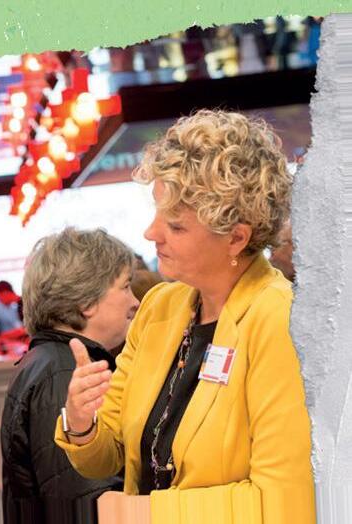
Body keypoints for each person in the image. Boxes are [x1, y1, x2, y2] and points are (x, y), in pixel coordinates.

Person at [55, 110, 315, 523]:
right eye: (158, 213)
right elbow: (109, 454)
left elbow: (284, 503)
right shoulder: (159, 308)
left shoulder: (279, 320)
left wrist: (143, 512)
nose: (151, 233)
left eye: (175, 226)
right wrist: (81, 421)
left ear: (236, 238)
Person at [1, 227, 139, 524]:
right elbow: (88, 502)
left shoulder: (48, 362)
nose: (135, 302)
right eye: (125, 286)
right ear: (86, 301)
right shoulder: (65, 373)